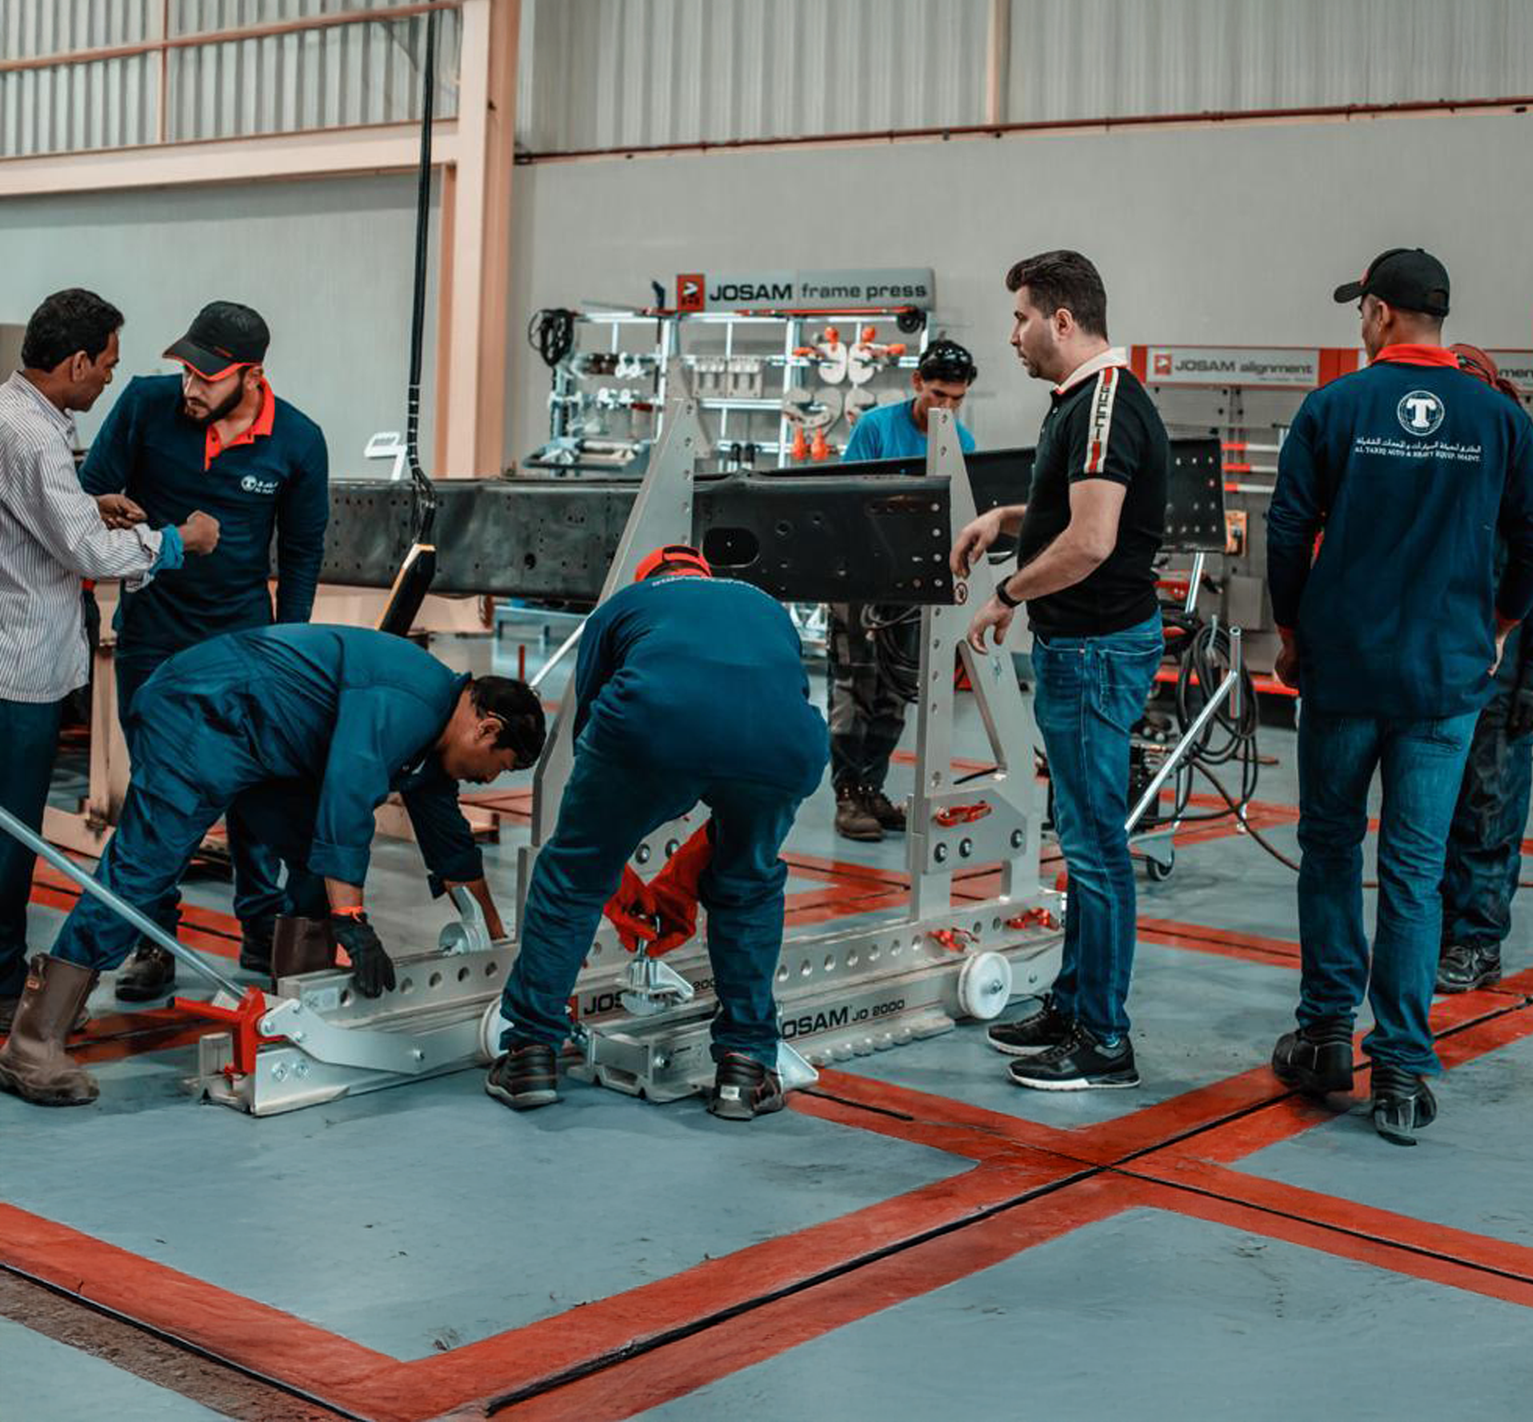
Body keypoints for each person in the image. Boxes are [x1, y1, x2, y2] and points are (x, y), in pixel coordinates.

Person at [1266, 249, 1533, 1145]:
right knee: (1414, 869)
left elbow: (1288, 529)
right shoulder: (1497, 417)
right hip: (1445, 680)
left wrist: (1291, 630)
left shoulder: (1335, 408)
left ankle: (1325, 1035)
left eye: (1361, 309)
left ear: (1381, 314)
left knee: (1329, 849)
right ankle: (1398, 1067)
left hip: (1345, 673)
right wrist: (1500, 623)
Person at [0, 624, 544, 1107]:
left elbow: (448, 836)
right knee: (144, 871)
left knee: (314, 859)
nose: (489, 780)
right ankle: (34, 1038)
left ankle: (297, 1008)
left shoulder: (435, 730)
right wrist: (351, 918)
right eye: (498, 767)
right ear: (486, 729)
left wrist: (495, 944)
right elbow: (349, 792)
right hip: (203, 710)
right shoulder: (411, 700)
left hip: (263, 739)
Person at [489, 545, 827, 1121]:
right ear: (706, 575)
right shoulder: (764, 604)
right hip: (785, 747)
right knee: (748, 883)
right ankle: (746, 1068)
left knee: (571, 878)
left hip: (651, 728)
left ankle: (529, 1054)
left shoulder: (625, 605)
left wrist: (604, 852)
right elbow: (777, 696)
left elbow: (590, 725)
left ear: (649, 577)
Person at [955, 251, 1169, 1092]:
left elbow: (1090, 541)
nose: (1013, 335)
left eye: (1022, 318)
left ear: (1064, 320)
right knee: (1082, 840)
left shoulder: (1105, 403)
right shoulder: (1082, 401)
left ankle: (1104, 1040)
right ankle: (1075, 1002)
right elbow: (1071, 509)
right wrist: (1008, 518)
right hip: (1083, 645)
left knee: (1096, 847)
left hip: (1093, 648)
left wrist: (1006, 594)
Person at [81, 301, 330, 1000]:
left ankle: (261, 924)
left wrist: (288, 648)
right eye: (187, 371)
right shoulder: (144, 405)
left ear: (252, 376)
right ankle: (153, 937)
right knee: (157, 792)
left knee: (253, 784)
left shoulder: (298, 441)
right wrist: (112, 512)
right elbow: (88, 491)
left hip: (245, 638)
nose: (190, 387)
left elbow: (302, 553)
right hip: (153, 634)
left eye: (207, 378)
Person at [0, 289, 219, 1037]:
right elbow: (88, 555)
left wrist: (90, 504)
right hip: (20, 671)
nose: (108, 380)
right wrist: (179, 540)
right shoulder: (33, 436)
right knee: (13, 839)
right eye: (106, 366)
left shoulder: (17, 416)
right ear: (76, 362)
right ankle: (2, 985)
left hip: (20, 659)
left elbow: (38, 518)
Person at [1436, 345, 1533, 993]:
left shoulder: (1526, 463)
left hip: (1503, 675)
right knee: (1437, 809)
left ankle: (1478, 942)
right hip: (1442, 671)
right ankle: (1442, 932)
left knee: (1489, 811)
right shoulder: (1446, 462)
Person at [831, 339, 978, 841]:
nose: (946, 408)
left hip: (913, 584)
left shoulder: (962, 442)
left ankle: (872, 787)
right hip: (858, 578)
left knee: (895, 690)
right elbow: (847, 499)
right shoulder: (876, 428)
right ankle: (848, 793)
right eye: (938, 395)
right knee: (855, 686)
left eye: (956, 399)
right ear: (917, 382)